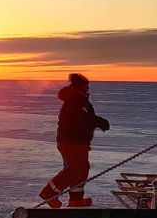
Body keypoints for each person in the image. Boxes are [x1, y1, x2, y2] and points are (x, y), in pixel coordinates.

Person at [38, 73, 110, 208]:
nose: (88, 88)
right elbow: (83, 120)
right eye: (85, 86)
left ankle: (76, 199)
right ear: (79, 86)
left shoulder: (79, 99)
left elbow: (85, 119)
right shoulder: (75, 100)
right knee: (75, 169)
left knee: (82, 168)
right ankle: (49, 193)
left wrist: (96, 122)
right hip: (71, 142)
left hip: (78, 143)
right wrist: (99, 122)